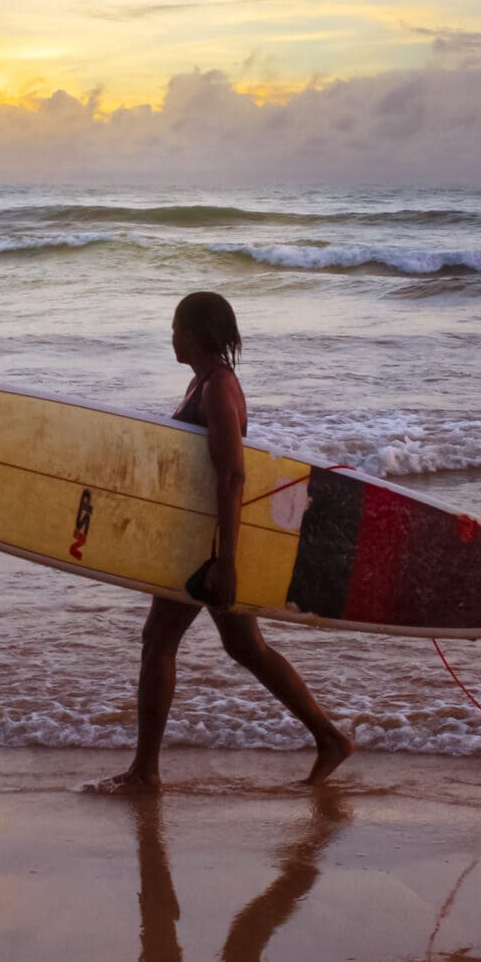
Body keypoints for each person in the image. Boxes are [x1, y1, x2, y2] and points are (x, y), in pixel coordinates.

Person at [95, 291, 352, 795]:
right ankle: (329, 738)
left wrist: (226, 560)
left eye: (175, 327)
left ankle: (145, 772)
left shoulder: (217, 389)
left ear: (193, 332)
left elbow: (233, 475)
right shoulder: (204, 382)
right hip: (202, 537)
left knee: (158, 641)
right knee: (244, 645)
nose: (171, 336)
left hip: (207, 544)